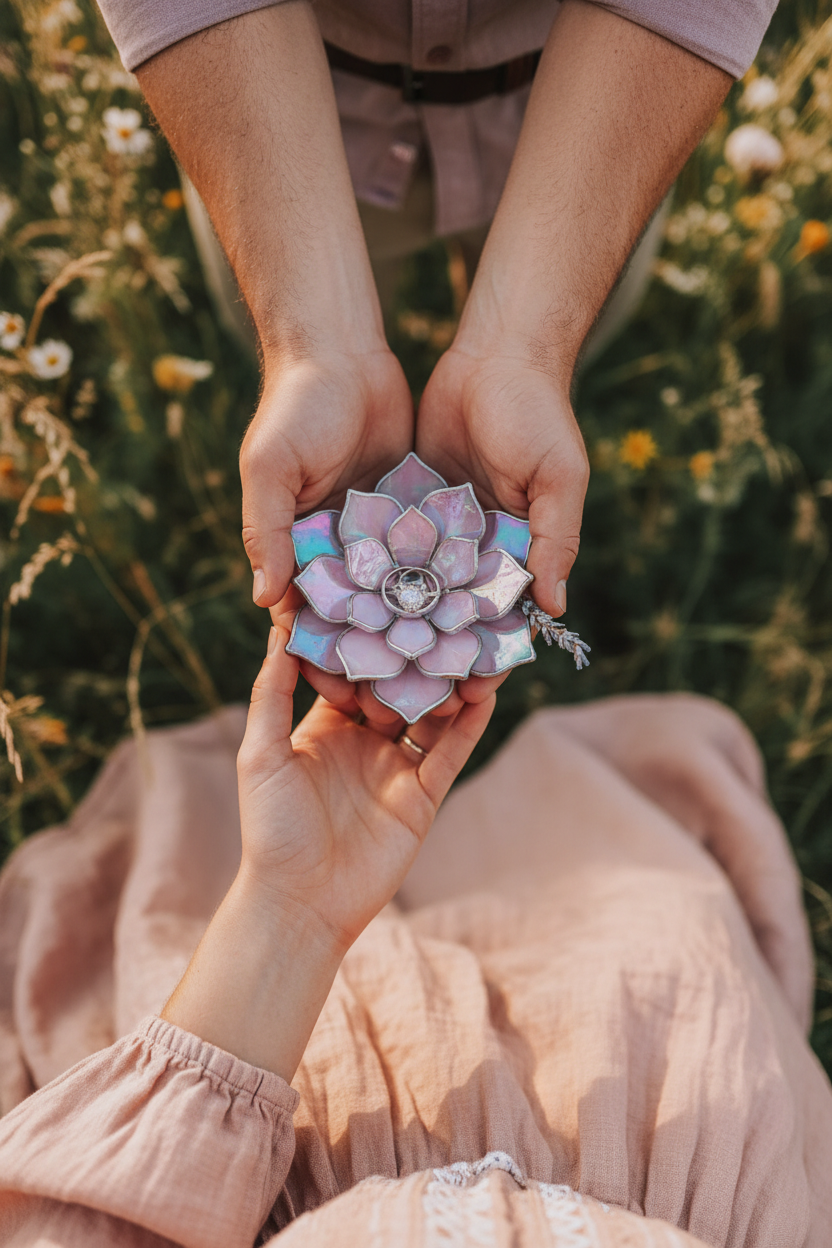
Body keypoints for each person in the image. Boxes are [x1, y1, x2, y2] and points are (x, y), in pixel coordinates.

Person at [0, 630, 830, 1245]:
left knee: (187, 869)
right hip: (679, 1136)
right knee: (649, 931)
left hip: (284, 1141)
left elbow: (86, 1220)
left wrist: (289, 910)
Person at [95, 0, 775, 638]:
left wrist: (528, 353)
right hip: (267, 102)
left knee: (571, 346)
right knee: (283, 357)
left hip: (603, 106)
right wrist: (314, 349)